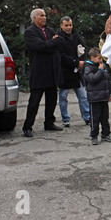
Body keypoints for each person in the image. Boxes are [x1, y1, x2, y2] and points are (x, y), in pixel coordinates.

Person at [22, 8, 65, 137]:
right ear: (34, 18)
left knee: (52, 100)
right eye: (41, 15)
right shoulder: (30, 32)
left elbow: (61, 42)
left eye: (45, 15)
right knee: (34, 101)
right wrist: (51, 44)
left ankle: (49, 123)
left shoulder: (50, 30)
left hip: (52, 71)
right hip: (39, 72)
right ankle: (28, 126)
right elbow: (40, 46)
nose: (44, 17)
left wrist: (49, 44)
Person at [57, 16, 90, 127]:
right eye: (66, 25)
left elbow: (84, 48)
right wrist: (76, 62)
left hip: (77, 72)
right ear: (61, 25)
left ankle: (87, 117)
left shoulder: (76, 35)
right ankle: (65, 119)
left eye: (70, 25)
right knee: (63, 97)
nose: (69, 27)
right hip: (65, 72)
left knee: (83, 96)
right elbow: (61, 55)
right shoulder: (58, 38)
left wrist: (82, 61)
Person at [82, 47, 111, 146]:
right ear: (92, 58)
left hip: (104, 96)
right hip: (94, 97)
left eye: (102, 58)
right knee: (94, 118)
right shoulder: (88, 67)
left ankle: (105, 134)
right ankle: (94, 136)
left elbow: (107, 81)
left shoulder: (102, 66)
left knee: (105, 117)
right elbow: (92, 79)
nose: (101, 60)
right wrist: (99, 71)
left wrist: (109, 93)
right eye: (99, 58)